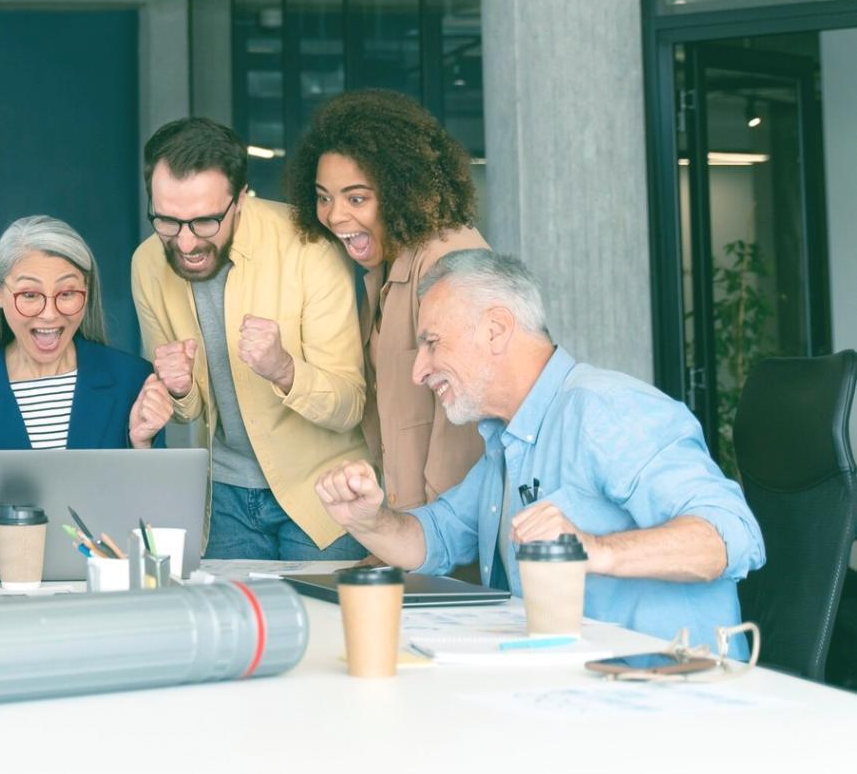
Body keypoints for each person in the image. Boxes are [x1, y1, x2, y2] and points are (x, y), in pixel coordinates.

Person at [314, 250, 766, 655]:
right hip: (569, 688)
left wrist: (592, 549)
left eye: (432, 343)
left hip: (665, 698)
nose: (418, 371)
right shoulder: (505, 441)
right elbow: (435, 538)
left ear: (495, 330)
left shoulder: (605, 410)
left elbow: (732, 536)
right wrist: (369, 520)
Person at [130, 118, 369, 561]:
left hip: (322, 493)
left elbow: (350, 404)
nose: (184, 242)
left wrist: (285, 369)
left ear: (240, 199)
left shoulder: (310, 247)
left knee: (324, 629)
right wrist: (178, 389)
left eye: (204, 222)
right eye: (166, 220)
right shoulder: (147, 263)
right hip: (224, 498)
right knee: (235, 629)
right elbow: (189, 411)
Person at [0, 216, 172, 561]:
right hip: (2, 599)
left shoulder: (131, 381)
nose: (50, 315)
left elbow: (156, 540)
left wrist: (141, 446)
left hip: (101, 597)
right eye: (29, 295)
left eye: (67, 294)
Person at [289, 89, 487, 510]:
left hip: (445, 531)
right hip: (408, 527)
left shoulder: (448, 260)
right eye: (324, 197)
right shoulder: (381, 268)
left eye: (356, 198)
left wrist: (430, 536)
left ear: (401, 191)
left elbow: (466, 424)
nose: (335, 215)